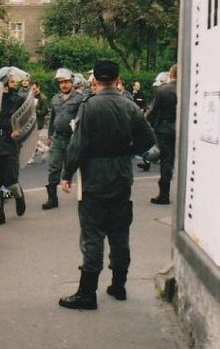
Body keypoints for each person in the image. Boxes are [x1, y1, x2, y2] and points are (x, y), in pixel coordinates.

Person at [58, 60, 155, 309]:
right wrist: (126, 151)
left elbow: (78, 144)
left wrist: (67, 173)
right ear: (116, 78)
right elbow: (148, 140)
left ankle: (87, 292)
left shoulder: (89, 106)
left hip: (94, 179)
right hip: (121, 177)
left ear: (95, 80)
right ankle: (119, 284)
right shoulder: (129, 105)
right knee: (120, 233)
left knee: (92, 236)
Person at [0, 67, 26, 227]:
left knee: (11, 182)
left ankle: (19, 196)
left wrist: (18, 131)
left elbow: (25, 119)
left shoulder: (17, 100)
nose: (13, 82)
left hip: (9, 143)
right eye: (10, 79)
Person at [42, 68, 84, 211]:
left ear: (72, 82)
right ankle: (52, 198)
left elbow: (83, 118)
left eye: (66, 82)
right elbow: (53, 117)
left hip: (73, 139)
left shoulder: (80, 99)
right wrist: (49, 135)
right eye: (61, 82)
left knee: (81, 166)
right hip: (58, 138)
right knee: (54, 166)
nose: (64, 85)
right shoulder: (55, 99)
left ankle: (86, 195)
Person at [146, 64, 178, 205]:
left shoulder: (162, 90)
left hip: (165, 129)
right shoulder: (187, 89)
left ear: (170, 75)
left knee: (166, 161)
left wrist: (147, 124)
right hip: (182, 128)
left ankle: (164, 194)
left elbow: (153, 111)